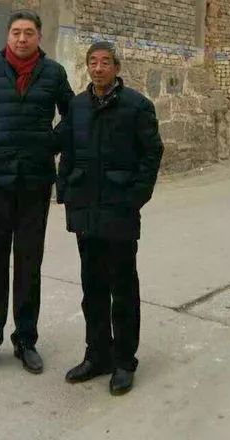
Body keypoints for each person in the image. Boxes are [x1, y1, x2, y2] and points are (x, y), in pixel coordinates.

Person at [0, 10, 74, 378]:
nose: (21, 39)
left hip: (35, 181)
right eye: (15, 33)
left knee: (29, 265)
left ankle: (26, 340)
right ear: (7, 37)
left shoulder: (53, 73)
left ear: (39, 37)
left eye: (28, 33)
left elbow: (72, 115)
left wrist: (50, 144)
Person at [56, 41, 163, 396]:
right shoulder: (77, 106)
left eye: (105, 62)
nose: (98, 68)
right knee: (92, 287)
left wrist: (135, 198)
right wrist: (65, 192)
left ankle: (124, 361)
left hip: (119, 209)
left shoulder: (136, 106)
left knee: (123, 287)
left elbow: (151, 155)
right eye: (93, 62)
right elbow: (67, 152)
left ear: (116, 67)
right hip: (86, 208)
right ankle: (97, 354)